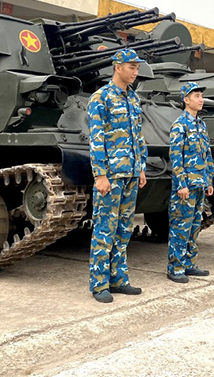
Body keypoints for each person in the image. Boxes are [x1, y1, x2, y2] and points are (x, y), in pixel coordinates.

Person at [87, 48, 148, 303]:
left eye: (137, 68)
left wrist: (141, 167)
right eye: (131, 67)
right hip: (111, 176)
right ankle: (99, 284)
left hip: (131, 175)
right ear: (117, 67)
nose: (136, 72)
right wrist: (100, 175)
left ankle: (119, 278)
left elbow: (138, 136)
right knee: (104, 229)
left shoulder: (133, 98)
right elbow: (96, 140)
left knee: (124, 230)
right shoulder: (100, 98)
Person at [166, 82, 214, 283]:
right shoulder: (179, 125)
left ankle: (189, 264)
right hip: (185, 186)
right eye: (196, 96)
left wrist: (209, 180)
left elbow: (207, 155)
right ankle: (175, 268)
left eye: (201, 96)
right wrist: (181, 184)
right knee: (180, 227)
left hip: (200, 184)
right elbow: (176, 157)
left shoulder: (201, 125)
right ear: (186, 100)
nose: (201, 99)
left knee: (194, 226)